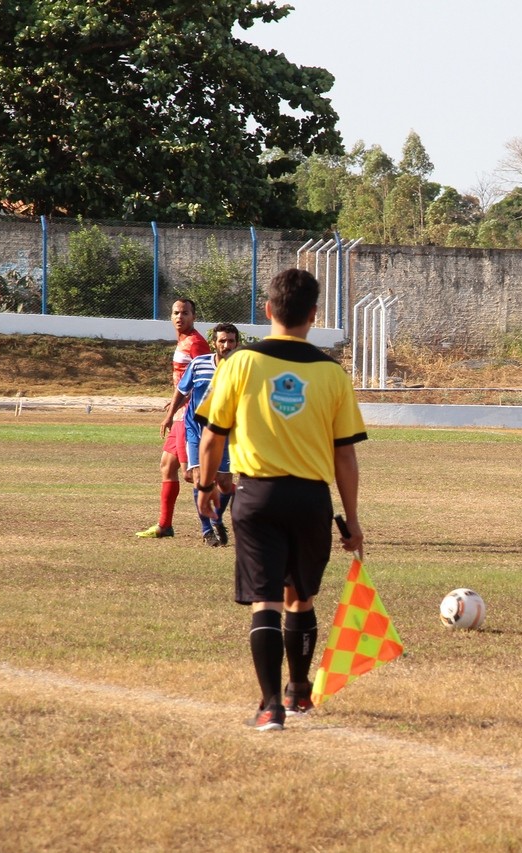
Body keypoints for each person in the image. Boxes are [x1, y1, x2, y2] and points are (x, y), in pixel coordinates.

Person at [195, 269, 366, 731]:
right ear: (314, 315)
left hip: (256, 496)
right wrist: (351, 520)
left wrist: (208, 488)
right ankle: (299, 692)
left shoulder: (240, 364)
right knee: (300, 597)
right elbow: (344, 456)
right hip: (311, 499)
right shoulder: (332, 373)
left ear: (267, 310)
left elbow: (212, 437)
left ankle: (270, 705)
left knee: (265, 601)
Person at [136, 298, 210, 539]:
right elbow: (183, 382)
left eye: (185, 313)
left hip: (188, 417)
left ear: (194, 316)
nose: (180, 317)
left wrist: (174, 412)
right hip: (180, 412)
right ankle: (165, 525)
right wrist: (174, 402)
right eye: (176, 313)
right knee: (167, 466)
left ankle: (220, 516)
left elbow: (203, 380)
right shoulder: (183, 341)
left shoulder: (197, 343)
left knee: (192, 474)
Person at [167, 322, 240, 547]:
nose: (226, 345)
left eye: (230, 341)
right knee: (198, 479)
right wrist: (169, 416)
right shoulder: (199, 364)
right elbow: (182, 390)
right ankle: (207, 530)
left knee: (225, 483)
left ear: (237, 343)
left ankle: (216, 517)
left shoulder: (242, 370)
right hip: (197, 430)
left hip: (227, 433)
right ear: (214, 343)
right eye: (222, 341)